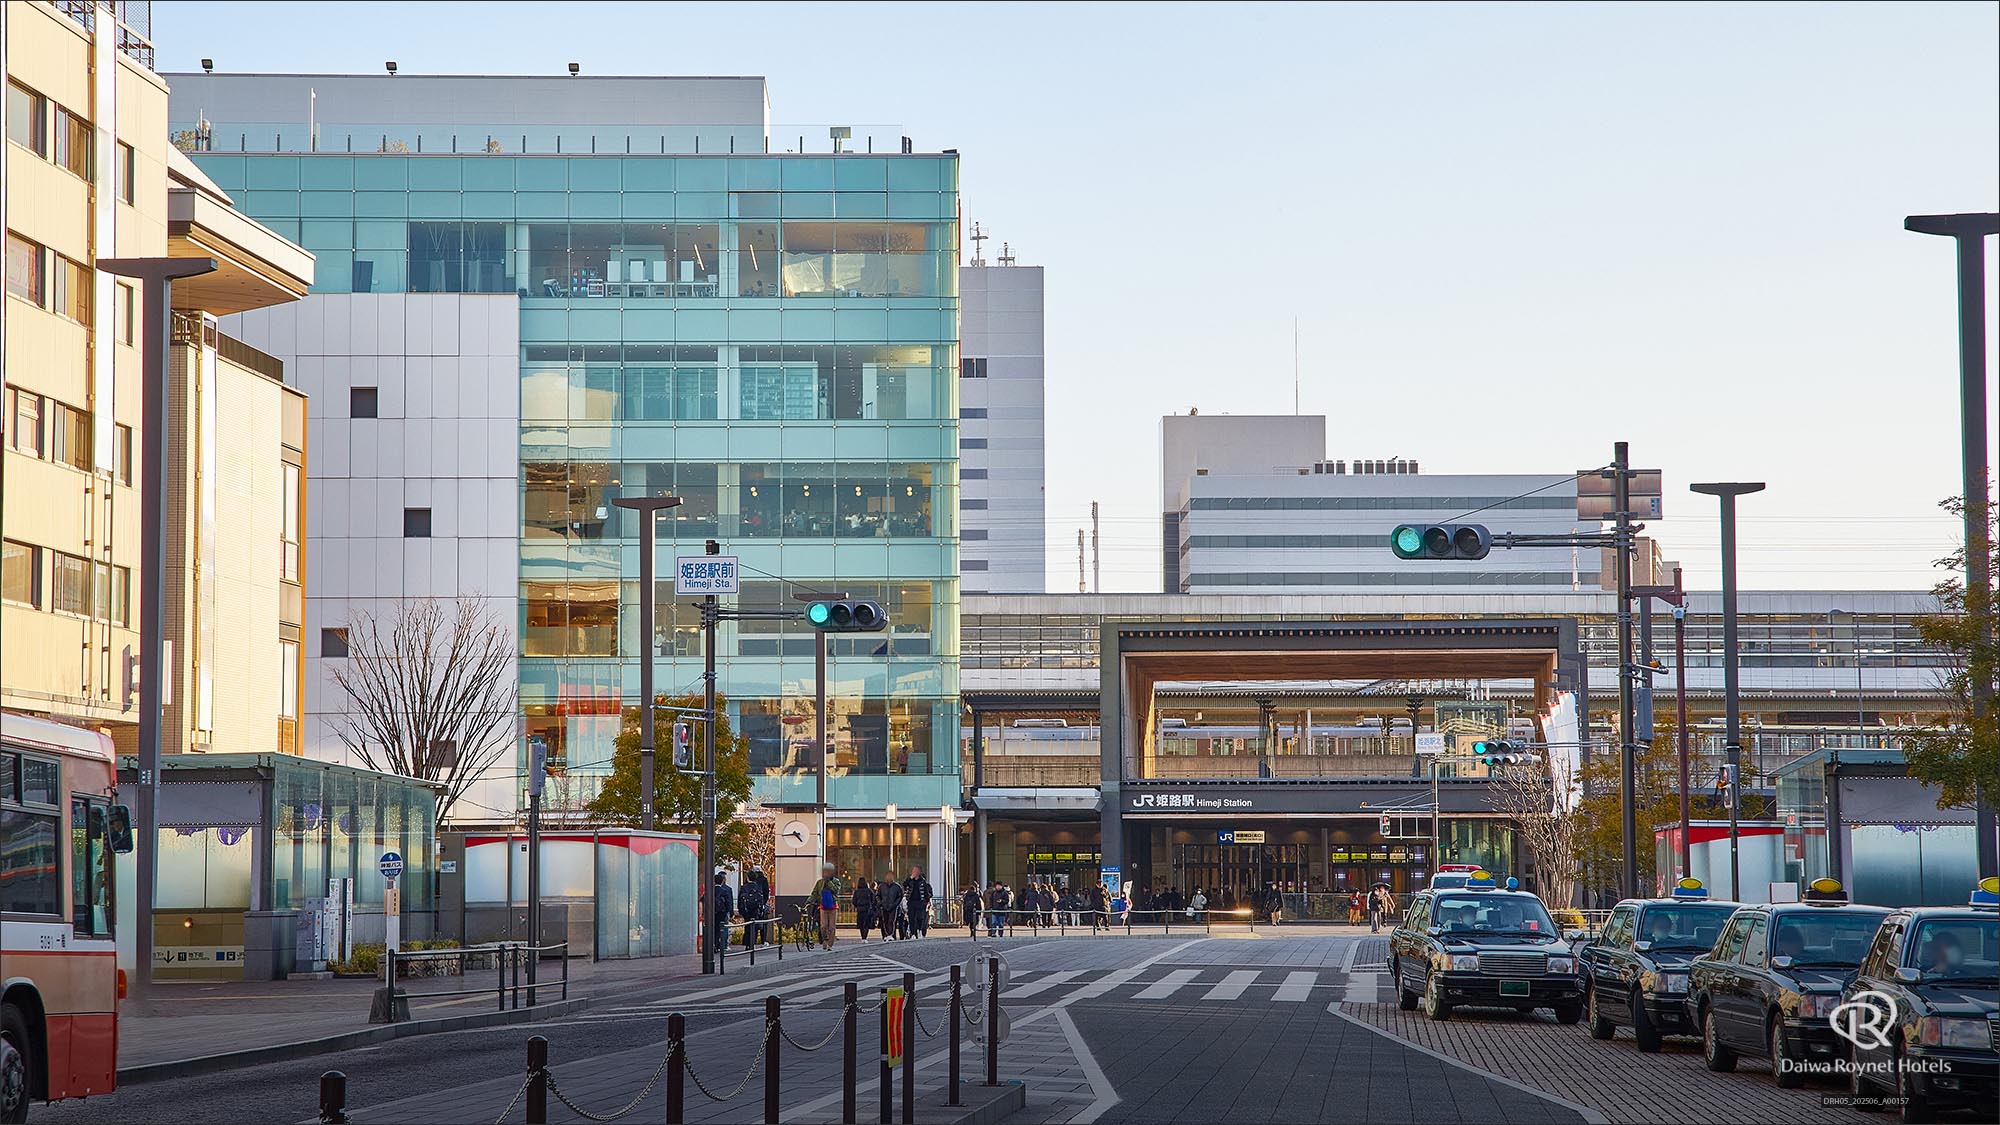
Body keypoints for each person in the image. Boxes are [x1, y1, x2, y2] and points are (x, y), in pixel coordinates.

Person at [811, 863, 841, 949]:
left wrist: (830, 883)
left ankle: (830, 945)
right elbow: (815, 893)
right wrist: (809, 901)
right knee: (823, 926)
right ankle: (825, 939)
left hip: (833, 906)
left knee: (832, 927)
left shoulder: (836, 881)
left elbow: (836, 891)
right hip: (823, 906)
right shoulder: (820, 882)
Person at [740, 867, 770, 948]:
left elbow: (740, 899)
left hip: (747, 910)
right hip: (756, 909)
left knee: (748, 926)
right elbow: (765, 894)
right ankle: (759, 941)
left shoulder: (744, 887)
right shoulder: (760, 884)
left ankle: (748, 944)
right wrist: (762, 906)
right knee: (758, 925)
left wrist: (741, 910)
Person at [904, 866, 934, 939]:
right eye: (913, 870)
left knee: (920, 917)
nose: (914, 872)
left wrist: (926, 902)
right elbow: (904, 884)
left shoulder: (922, 881)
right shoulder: (910, 880)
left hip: (920, 902)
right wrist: (911, 878)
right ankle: (913, 933)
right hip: (911, 902)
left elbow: (926, 892)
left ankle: (920, 931)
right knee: (911, 918)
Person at [710, 871, 734, 955]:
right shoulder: (725, 890)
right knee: (722, 929)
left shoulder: (710, 891)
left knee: (712, 929)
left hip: (712, 913)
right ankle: (722, 945)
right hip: (722, 913)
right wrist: (729, 912)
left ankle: (713, 945)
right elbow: (728, 903)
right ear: (723, 881)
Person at [878, 871, 906, 939]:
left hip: (893, 907)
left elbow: (900, 896)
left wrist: (895, 904)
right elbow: (878, 895)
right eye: (887, 876)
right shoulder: (882, 886)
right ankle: (887, 934)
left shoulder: (897, 886)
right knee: (885, 921)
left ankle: (890, 934)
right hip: (884, 906)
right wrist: (881, 903)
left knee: (891, 921)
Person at [852, 876, 878, 940]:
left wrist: (857, 906)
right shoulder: (869, 891)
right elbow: (874, 899)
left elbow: (854, 901)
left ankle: (862, 936)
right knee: (866, 923)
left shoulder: (857, 892)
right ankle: (865, 937)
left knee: (861, 924)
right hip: (867, 908)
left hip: (860, 909)